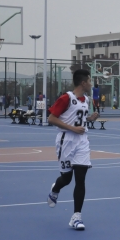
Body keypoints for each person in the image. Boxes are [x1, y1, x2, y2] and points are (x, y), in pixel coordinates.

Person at [46, 69, 99, 230]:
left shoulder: (86, 99)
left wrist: (89, 118)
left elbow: (78, 119)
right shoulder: (66, 98)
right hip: (66, 140)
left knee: (80, 178)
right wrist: (72, 128)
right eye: (89, 81)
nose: (91, 83)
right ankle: (55, 189)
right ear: (83, 83)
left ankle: (76, 216)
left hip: (82, 141)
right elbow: (51, 118)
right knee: (67, 178)